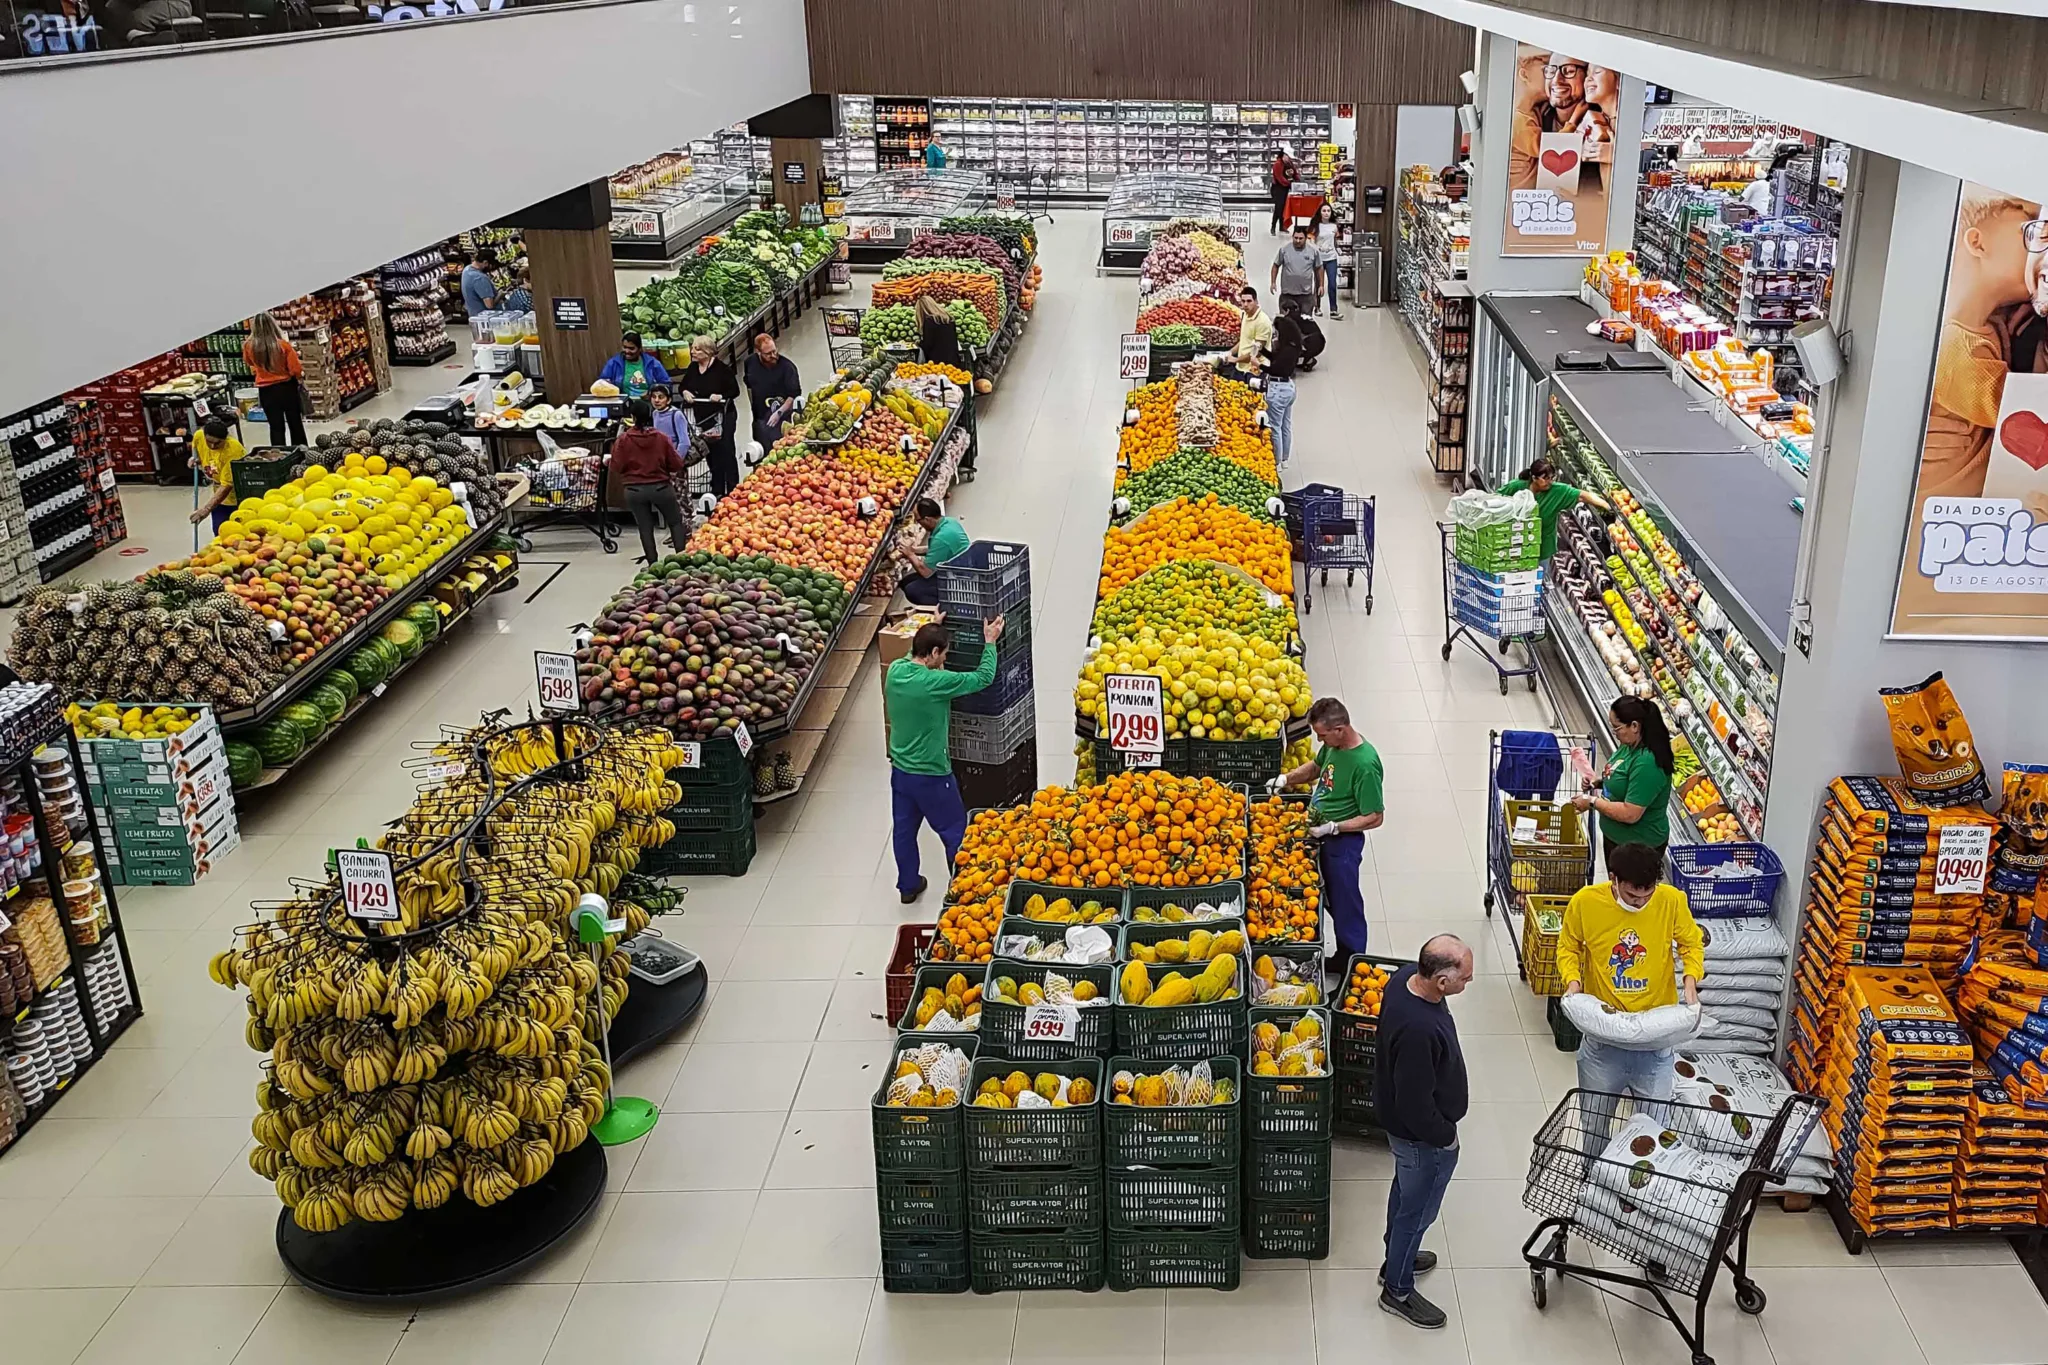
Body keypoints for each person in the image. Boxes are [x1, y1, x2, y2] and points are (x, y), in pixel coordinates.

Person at [1557, 842, 1705, 1137]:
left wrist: (1690, 982)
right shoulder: (1586, 902)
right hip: (1603, 1039)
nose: (1640, 904)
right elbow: (1568, 945)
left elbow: (1691, 943)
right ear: (1613, 879)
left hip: (1655, 1040)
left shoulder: (1671, 901)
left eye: (1647, 896)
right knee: (1595, 1125)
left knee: (1654, 1130)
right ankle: (1592, 1171)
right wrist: (1573, 981)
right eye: (1632, 896)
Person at [1375, 934, 1473, 1331]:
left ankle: (1394, 1260)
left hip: (1404, 1134)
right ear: (1442, 982)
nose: (1469, 982)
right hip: (1421, 1139)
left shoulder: (1404, 979)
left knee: (1403, 1195)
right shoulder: (1418, 1030)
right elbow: (1415, 1106)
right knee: (1416, 1212)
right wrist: (1445, 1137)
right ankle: (1396, 1290)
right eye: (1464, 977)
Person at [885, 616, 1004, 903]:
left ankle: (908, 886)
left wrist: (932, 628)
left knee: (904, 831)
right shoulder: (935, 682)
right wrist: (990, 642)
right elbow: (982, 678)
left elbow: (910, 655)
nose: (946, 658)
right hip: (932, 774)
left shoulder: (895, 671)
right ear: (935, 653)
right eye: (944, 653)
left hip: (901, 771)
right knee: (954, 832)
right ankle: (966, 890)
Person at [1271, 697, 1385, 964]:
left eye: (1322, 735)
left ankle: (1353, 960)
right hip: (1318, 832)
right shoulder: (1335, 747)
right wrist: (1286, 778)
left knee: (1345, 901)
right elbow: (1316, 767)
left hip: (1342, 844)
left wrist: (1334, 828)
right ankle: (1342, 952)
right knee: (1328, 897)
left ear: (1340, 729)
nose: (1320, 741)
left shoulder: (1365, 765)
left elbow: (1374, 816)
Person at [1574, 695, 1674, 865]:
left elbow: (1630, 814)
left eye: (1616, 728)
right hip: (1618, 840)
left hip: (1638, 849)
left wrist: (1591, 802)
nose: (1615, 733)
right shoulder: (1629, 745)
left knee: (1627, 891)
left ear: (1634, 726)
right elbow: (1622, 773)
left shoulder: (1648, 762)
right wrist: (1600, 781)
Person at [609, 397, 691, 564]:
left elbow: (616, 466)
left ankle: (653, 564)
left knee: (645, 528)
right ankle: (682, 562)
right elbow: (676, 464)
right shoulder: (661, 438)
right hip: (661, 488)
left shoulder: (623, 440)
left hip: (634, 491)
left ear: (632, 417)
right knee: (675, 523)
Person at [1497, 457, 1611, 562]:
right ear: (1534, 478)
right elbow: (1494, 500)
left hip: (1542, 550)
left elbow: (1583, 495)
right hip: (1513, 545)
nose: (1550, 482)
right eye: (1545, 478)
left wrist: (1605, 504)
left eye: (1552, 478)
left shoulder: (1556, 491)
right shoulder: (1516, 487)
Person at [676, 337, 740, 497]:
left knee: (726, 450)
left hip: (723, 415)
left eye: (697, 349)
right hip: (703, 417)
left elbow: (735, 391)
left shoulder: (722, 370)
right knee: (710, 452)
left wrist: (720, 395)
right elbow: (683, 386)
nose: (692, 352)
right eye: (693, 348)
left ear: (709, 352)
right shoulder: (693, 368)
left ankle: (733, 489)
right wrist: (685, 392)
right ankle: (717, 490)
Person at [242, 312, 307, 448]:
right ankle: (301, 452)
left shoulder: (249, 346)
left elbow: (249, 362)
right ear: (273, 325)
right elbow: (295, 369)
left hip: (266, 391)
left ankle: (279, 455)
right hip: (287, 388)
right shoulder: (283, 346)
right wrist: (300, 379)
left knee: (275, 426)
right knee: (295, 423)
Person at [898, 497, 970, 606]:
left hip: (959, 580)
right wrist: (914, 550)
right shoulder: (949, 522)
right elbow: (936, 549)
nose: (918, 524)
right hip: (959, 568)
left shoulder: (941, 538)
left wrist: (910, 555)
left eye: (918, 520)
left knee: (912, 590)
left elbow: (925, 572)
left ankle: (947, 609)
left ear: (927, 519)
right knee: (906, 581)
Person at [744, 333, 802, 455]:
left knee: (781, 450)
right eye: (768, 354)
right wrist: (753, 406)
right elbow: (749, 385)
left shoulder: (787, 367)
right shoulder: (750, 363)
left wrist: (779, 413)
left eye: (774, 351)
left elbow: (793, 395)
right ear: (758, 352)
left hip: (781, 418)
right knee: (762, 449)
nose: (773, 356)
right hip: (760, 416)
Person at [188, 416, 246, 533]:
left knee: (236, 532)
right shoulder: (199, 436)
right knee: (219, 530)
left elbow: (227, 485)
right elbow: (201, 453)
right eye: (209, 442)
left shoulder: (233, 449)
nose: (213, 446)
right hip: (218, 490)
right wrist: (195, 459)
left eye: (218, 443)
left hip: (237, 493)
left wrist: (206, 509)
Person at [1265, 299, 1304, 468]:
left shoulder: (1287, 349)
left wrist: (1256, 363)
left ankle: (1277, 461)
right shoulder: (1292, 347)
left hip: (1278, 390)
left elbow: (1275, 369)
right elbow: (1276, 360)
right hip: (1288, 388)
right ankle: (1285, 459)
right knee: (1286, 425)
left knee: (1275, 427)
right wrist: (1262, 351)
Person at [598, 332, 672, 402]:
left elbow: (666, 385)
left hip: (648, 404)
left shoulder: (652, 363)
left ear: (640, 349)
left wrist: (651, 393)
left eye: (631, 348)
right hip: (624, 403)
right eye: (625, 347)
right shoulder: (614, 363)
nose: (627, 351)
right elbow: (602, 384)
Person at [1223, 285, 1274, 385]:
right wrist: (1230, 352)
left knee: (1253, 398)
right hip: (1240, 368)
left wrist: (1235, 359)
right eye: (1243, 301)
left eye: (1249, 301)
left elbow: (1257, 353)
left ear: (1256, 301)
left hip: (1255, 371)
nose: (1245, 304)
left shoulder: (1262, 321)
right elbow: (1244, 340)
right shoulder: (1245, 315)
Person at [1271, 225, 1321, 323]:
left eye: (1301, 238)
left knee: (1305, 323)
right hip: (1287, 295)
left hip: (1305, 296)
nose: (1298, 240)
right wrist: (1273, 282)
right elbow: (1275, 265)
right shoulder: (1284, 250)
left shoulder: (1313, 252)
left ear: (1306, 238)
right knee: (1286, 324)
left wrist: (1321, 285)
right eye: (1296, 238)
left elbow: (1319, 268)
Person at [916, 294, 963, 368]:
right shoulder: (948, 318)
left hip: (938, 363)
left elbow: (928, 344)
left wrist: (919, 343)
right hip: (953, 360)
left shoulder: (929, 321)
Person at [1313, 203, 1343, 319]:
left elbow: (1336, 240)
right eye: (1324, 210)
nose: (1326, 213)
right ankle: (1317, 306)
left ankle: (1333, 310)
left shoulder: (1334, 226)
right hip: (1319, 259)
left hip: (1331, 258)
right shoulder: (1316, 226)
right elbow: (1311, 240)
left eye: (1328, 211)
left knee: (1332, 283)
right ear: (1320, 212)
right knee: (1318, 284)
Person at [460, 249, 499, 319]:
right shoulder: (480, 278)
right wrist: (501, 295)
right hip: (486, 318)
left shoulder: (466, 269)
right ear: (485, 263)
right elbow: (489, 305)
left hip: (473, 315)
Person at [1269, 148, 1299, 233]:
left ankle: (1282, 226)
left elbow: (1294, 173)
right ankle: (1273, 227)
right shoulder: (1277, 164)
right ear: (1284, 155)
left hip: (1286, 188)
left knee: (1284, 208)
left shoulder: (1289, 163)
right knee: (1278, 207)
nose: (1289, 159)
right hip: (1278, 188)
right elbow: (1280, 178)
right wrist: (1291, 184)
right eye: (1288, 157)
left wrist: (1297, 181)